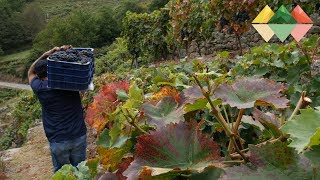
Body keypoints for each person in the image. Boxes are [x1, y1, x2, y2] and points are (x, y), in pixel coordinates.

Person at [28, 45, 87, 173]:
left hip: (58, 140)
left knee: (61, 173)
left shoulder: (39, 87)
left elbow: (30, 72)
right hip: (78, 135)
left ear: (39, 76)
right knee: (81, 172)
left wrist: (45, 54)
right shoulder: (70, 83)